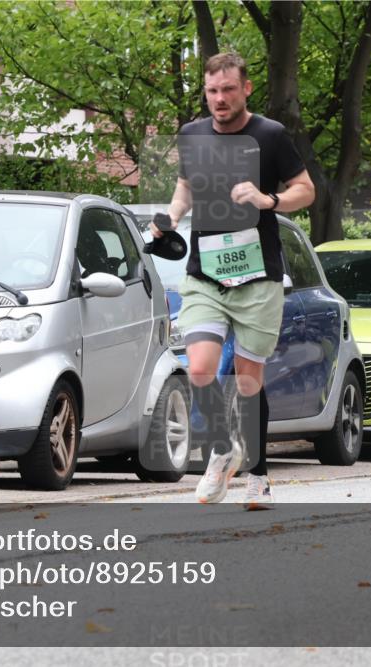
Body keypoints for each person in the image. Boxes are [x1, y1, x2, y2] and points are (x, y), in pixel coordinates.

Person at [151, 52, 315, 509]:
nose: (219, 99)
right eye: (211, 91)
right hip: (205, 273)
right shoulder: (192, 135)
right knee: (200, 368)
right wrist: (173, 215)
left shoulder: (270, 135)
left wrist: (269, 199)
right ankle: (222, 449)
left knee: (247, 383)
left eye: (227, 89)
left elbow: (306, 189)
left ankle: (258, 477)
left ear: (246, 89)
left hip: (258, 276)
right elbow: (185, 186)